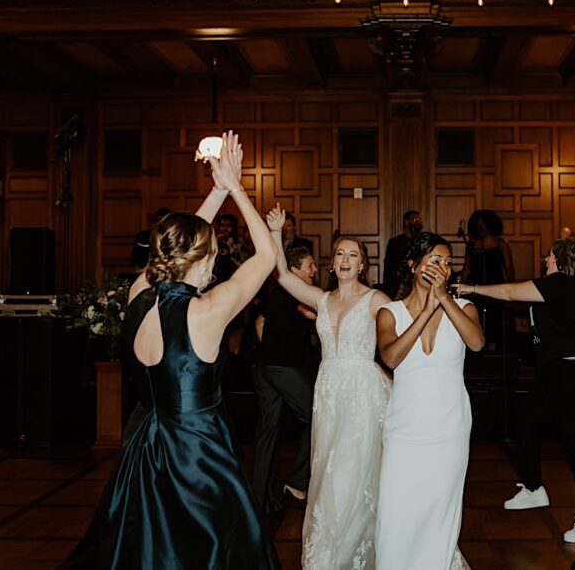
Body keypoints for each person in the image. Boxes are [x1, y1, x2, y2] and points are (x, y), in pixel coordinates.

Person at [61, 132, 280, 569]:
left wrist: (215, 192)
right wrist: (235, 188)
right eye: (213, 254)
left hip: (146, 447)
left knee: (152, 550)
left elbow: (172, 249)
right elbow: (268, 256)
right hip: (199, 454)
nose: (216, 262)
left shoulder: (138, 294)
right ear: (201, 259)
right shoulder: (209, 310)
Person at [454, 239, 575, 543]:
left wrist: (472, 288)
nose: (544, 258)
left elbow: (509, 291)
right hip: (558, 374)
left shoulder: (556, 284)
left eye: (549, 255)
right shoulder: (573, 288)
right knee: (526, 420)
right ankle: (533, 488)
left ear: (557, 260)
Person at [265, 204, 392, 570]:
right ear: (333, 264)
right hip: (328, 395)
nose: (346, 259)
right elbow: (282, 276)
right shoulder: (321, 300)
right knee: (328, 474)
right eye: (340, 253)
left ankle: (352, 554)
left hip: (363, 397)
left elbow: (401, 344)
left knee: (353, 473)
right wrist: (276, 232)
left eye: (353, 254)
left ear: (363, 265)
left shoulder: (376, 300)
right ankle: (328, 552)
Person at [376, 232, 485, 569]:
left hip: (449, 424)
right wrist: (426, 310)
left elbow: (477, 343)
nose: (442, 268)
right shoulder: (388, 313)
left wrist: (444, 299)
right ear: (413, 266)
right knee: (396, 510)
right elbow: (391, 358)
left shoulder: (464, 307)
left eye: (447, 262)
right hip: (404, 428)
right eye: (434, 260)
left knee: (441, 510)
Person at [250, 246, 318, 517]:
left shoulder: (277, 293)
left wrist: (267, 350)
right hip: (281, 368)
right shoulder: (297, 297)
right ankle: (297, 482)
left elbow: (259, 322)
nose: (314, 270)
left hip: (262, 368)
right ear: (294, 271)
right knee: (319, 416)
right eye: (310, 265)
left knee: (267, 434)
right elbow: (317, 316)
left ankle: (258, 501)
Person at [461, 209, 514, 348]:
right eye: (478, 225)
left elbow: (508, 267)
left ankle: (493, 347)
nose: (481, 227)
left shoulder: (501, 244)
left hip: (495, 285)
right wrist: (461, 285)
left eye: (483, 224)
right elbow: (467, 267)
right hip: (475, 286)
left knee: (494, 318)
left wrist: (512, 288)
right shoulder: (472, 246)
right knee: (475, 316)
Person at [381, 210, 423, 298]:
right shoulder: (395, 242)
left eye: (419, 219)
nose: (419, 222)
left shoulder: (421, 241)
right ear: (407, 221)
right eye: (415, 219)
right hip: (398, 285)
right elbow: (389, 266)